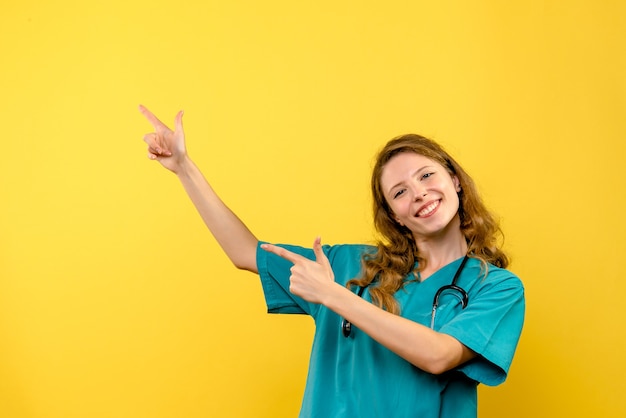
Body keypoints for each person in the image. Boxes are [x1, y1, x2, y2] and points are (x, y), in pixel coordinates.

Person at [139, 105, 525, 418]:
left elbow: (439, 355)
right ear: (394, 215)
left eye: (428, 175)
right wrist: (184, 169)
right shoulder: (346, 264)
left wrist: (335, 297)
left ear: (454, 179)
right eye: (400, 192)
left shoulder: (496, 287)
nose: (420, 194)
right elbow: (244, 252)